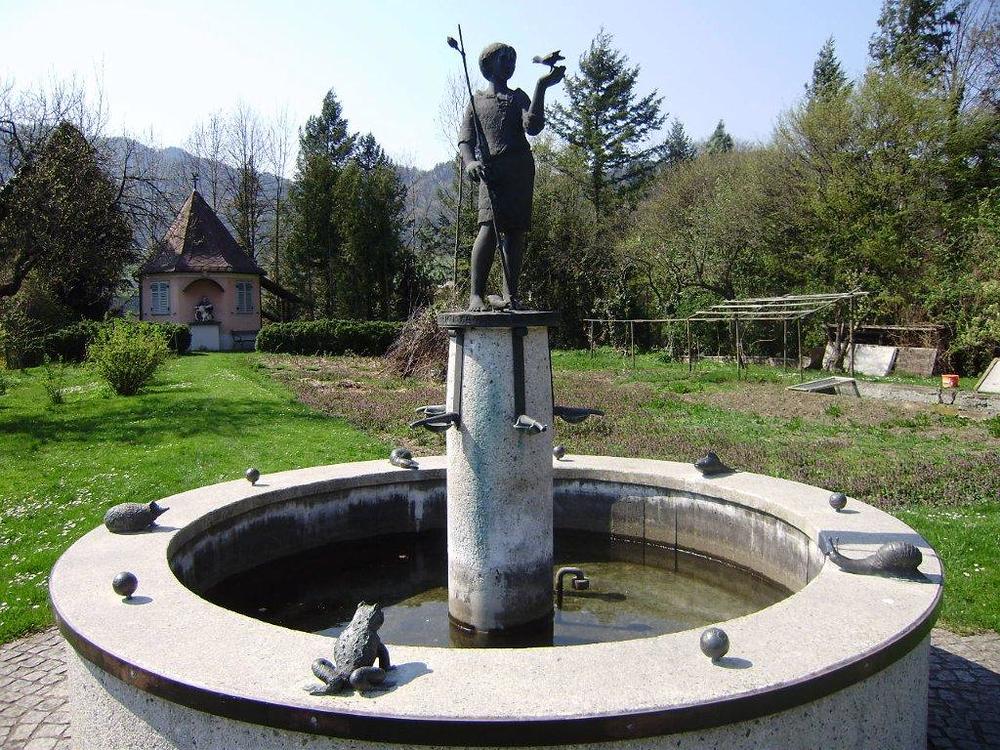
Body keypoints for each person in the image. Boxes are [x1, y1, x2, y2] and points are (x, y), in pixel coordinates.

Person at [458, 42, 564, 311]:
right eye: (503, 58)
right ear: (488, 65)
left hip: (520, 170)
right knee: (488, 229)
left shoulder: (518, 98)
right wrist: (470, 163)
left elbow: (533, 126)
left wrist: (541, 86)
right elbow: (466, 141)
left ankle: (510, 295)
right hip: (492, 173)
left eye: (512, 60)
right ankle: (476, 295)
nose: (509, 64)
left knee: (516, 232)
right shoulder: (476, 102)